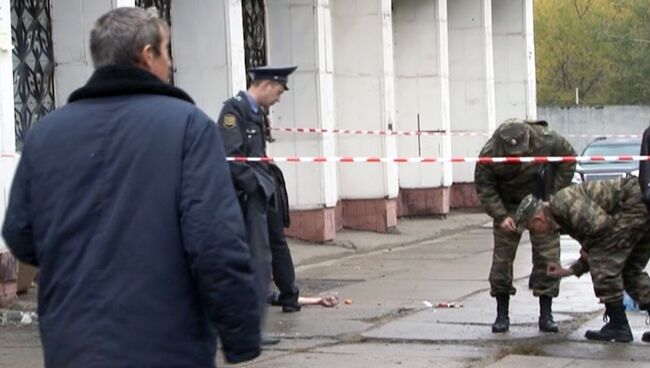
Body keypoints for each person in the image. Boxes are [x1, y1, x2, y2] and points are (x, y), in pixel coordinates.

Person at [2, 7, 260, 367]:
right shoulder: (189, 127)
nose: (170, 63)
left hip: (73, 345)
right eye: (167, 51)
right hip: (166, 345)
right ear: (147, 54)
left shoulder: (46, 134)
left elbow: (19, 234)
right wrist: (241, 335)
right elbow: (215, 241)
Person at [514, 177, 650, 343]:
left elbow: (602, 228)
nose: (535, 233)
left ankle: (618, 325)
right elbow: (600, 242)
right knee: (630, 271)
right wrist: (569, 270)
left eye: (531, 229)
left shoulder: (563, 203)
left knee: (603, 266)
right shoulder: (560, 217)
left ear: (538, 220)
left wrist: (589, 251)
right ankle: (618, 324)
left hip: (634, 204)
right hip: (639, 208)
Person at [217, 65, 298, 343]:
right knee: (254, 261)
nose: (278, 98)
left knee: (265, 257)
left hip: (261, 195)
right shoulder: (233, 111)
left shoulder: (254, 112)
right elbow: (232, 159)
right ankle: (247, 330)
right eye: (277, 91)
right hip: (247, 197)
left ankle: (252, 326)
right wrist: (257, 188)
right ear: (265, 85)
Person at [474, 118, 576, 333]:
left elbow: (569, 159)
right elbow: (485, 188)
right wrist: (501, 216)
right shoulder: (490, 152)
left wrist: (552, 197)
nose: (518, 156)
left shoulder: (546, 138)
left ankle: (546, 314)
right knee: (501, 263)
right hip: (509, 206)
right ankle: (502, 315)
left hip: (540, 202)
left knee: (548, 257)